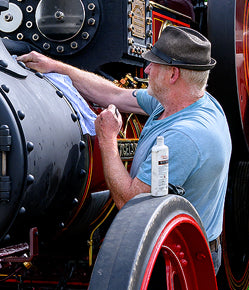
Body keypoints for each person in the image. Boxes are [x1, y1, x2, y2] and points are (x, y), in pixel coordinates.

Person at [19, 25, 231, 273]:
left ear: (173, 75)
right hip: (174, 247)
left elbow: (129, 201)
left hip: (178, 262)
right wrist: (55, 66)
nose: (148, 70)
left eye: (154, 64)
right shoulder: (187, 101)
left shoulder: (185, 136)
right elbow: (114, 95)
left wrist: (107, 140)